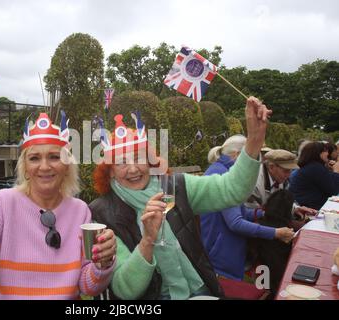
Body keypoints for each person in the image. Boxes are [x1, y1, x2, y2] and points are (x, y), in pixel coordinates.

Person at [89, 96, 272, 300]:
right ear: (110, 172)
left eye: (139, 158)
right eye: (122, 162)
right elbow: (125, 291)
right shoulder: (101, 214)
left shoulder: (174, 187)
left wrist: (254, 141)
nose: (133, 169)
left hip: (200, 287)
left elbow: (232, 190)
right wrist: (148, 239)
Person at [0, 112, 116, 299]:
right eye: (34, 158)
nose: (45, 166)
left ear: (67, 166)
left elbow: (88, 287)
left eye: (54, 157)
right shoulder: (2, 204)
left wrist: (102, 263)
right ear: (25, 167)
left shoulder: (80, 211)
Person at [200, 136, 294, 282]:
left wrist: (266, 213)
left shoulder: (221, 169)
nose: (256, 164)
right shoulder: (224, 175)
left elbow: (240, 212)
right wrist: (275, 233)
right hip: (222, 255)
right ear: (237, 155)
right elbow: (236, 223)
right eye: (253, 157)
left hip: (221, 249)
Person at [245, 149, 317, 222]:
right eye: (286, 170)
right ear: (271, 167)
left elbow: (281, 203)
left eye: (291, 170)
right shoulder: (254, 182)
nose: (289, 175)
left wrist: (295, 209)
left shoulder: (281, 178)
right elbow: (252, 214)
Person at [289, 141, 339, 210]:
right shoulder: (315, 168)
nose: (328, 153)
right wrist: (336, 171)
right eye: (325, 151)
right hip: (310, 209)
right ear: (318, 153)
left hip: (302, 205)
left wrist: (327, 169)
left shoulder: (309, 166)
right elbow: (334, 190)